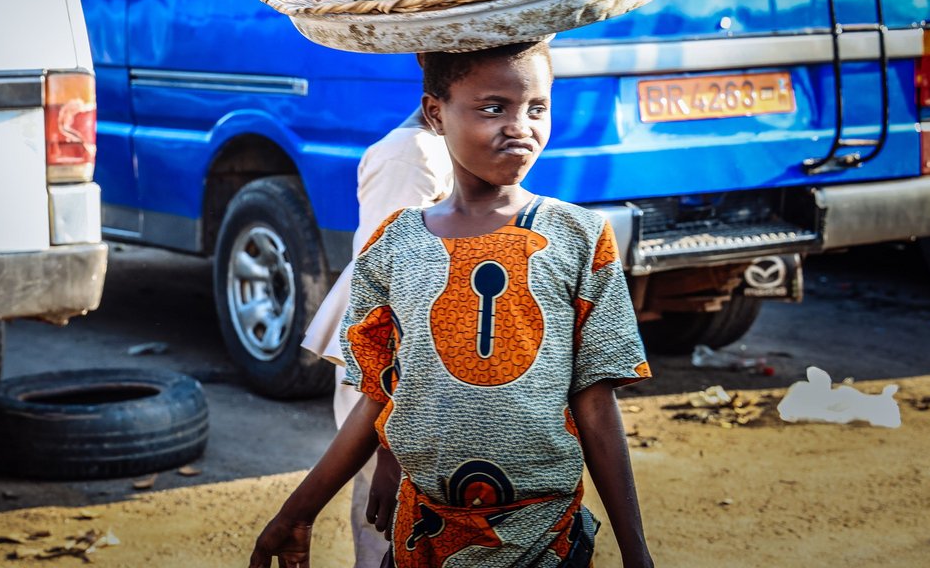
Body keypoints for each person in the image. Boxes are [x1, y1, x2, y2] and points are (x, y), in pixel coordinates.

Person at [249, 40, 655, 568]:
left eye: (537, 108)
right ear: (436, 114)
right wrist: (299, 511)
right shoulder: (395, 245)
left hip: (545, 541)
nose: (520, 127)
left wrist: (636, 551)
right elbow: (378, 395)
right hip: (424, 538)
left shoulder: (580, 238)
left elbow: (596, 405)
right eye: (493, 108)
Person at [301, 105, 453, 568]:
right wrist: (389, 444)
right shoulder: (410, 155)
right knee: (391, 521)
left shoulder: (439, 146)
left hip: (420, 374)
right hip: (391, 376)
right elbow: (389, 293)